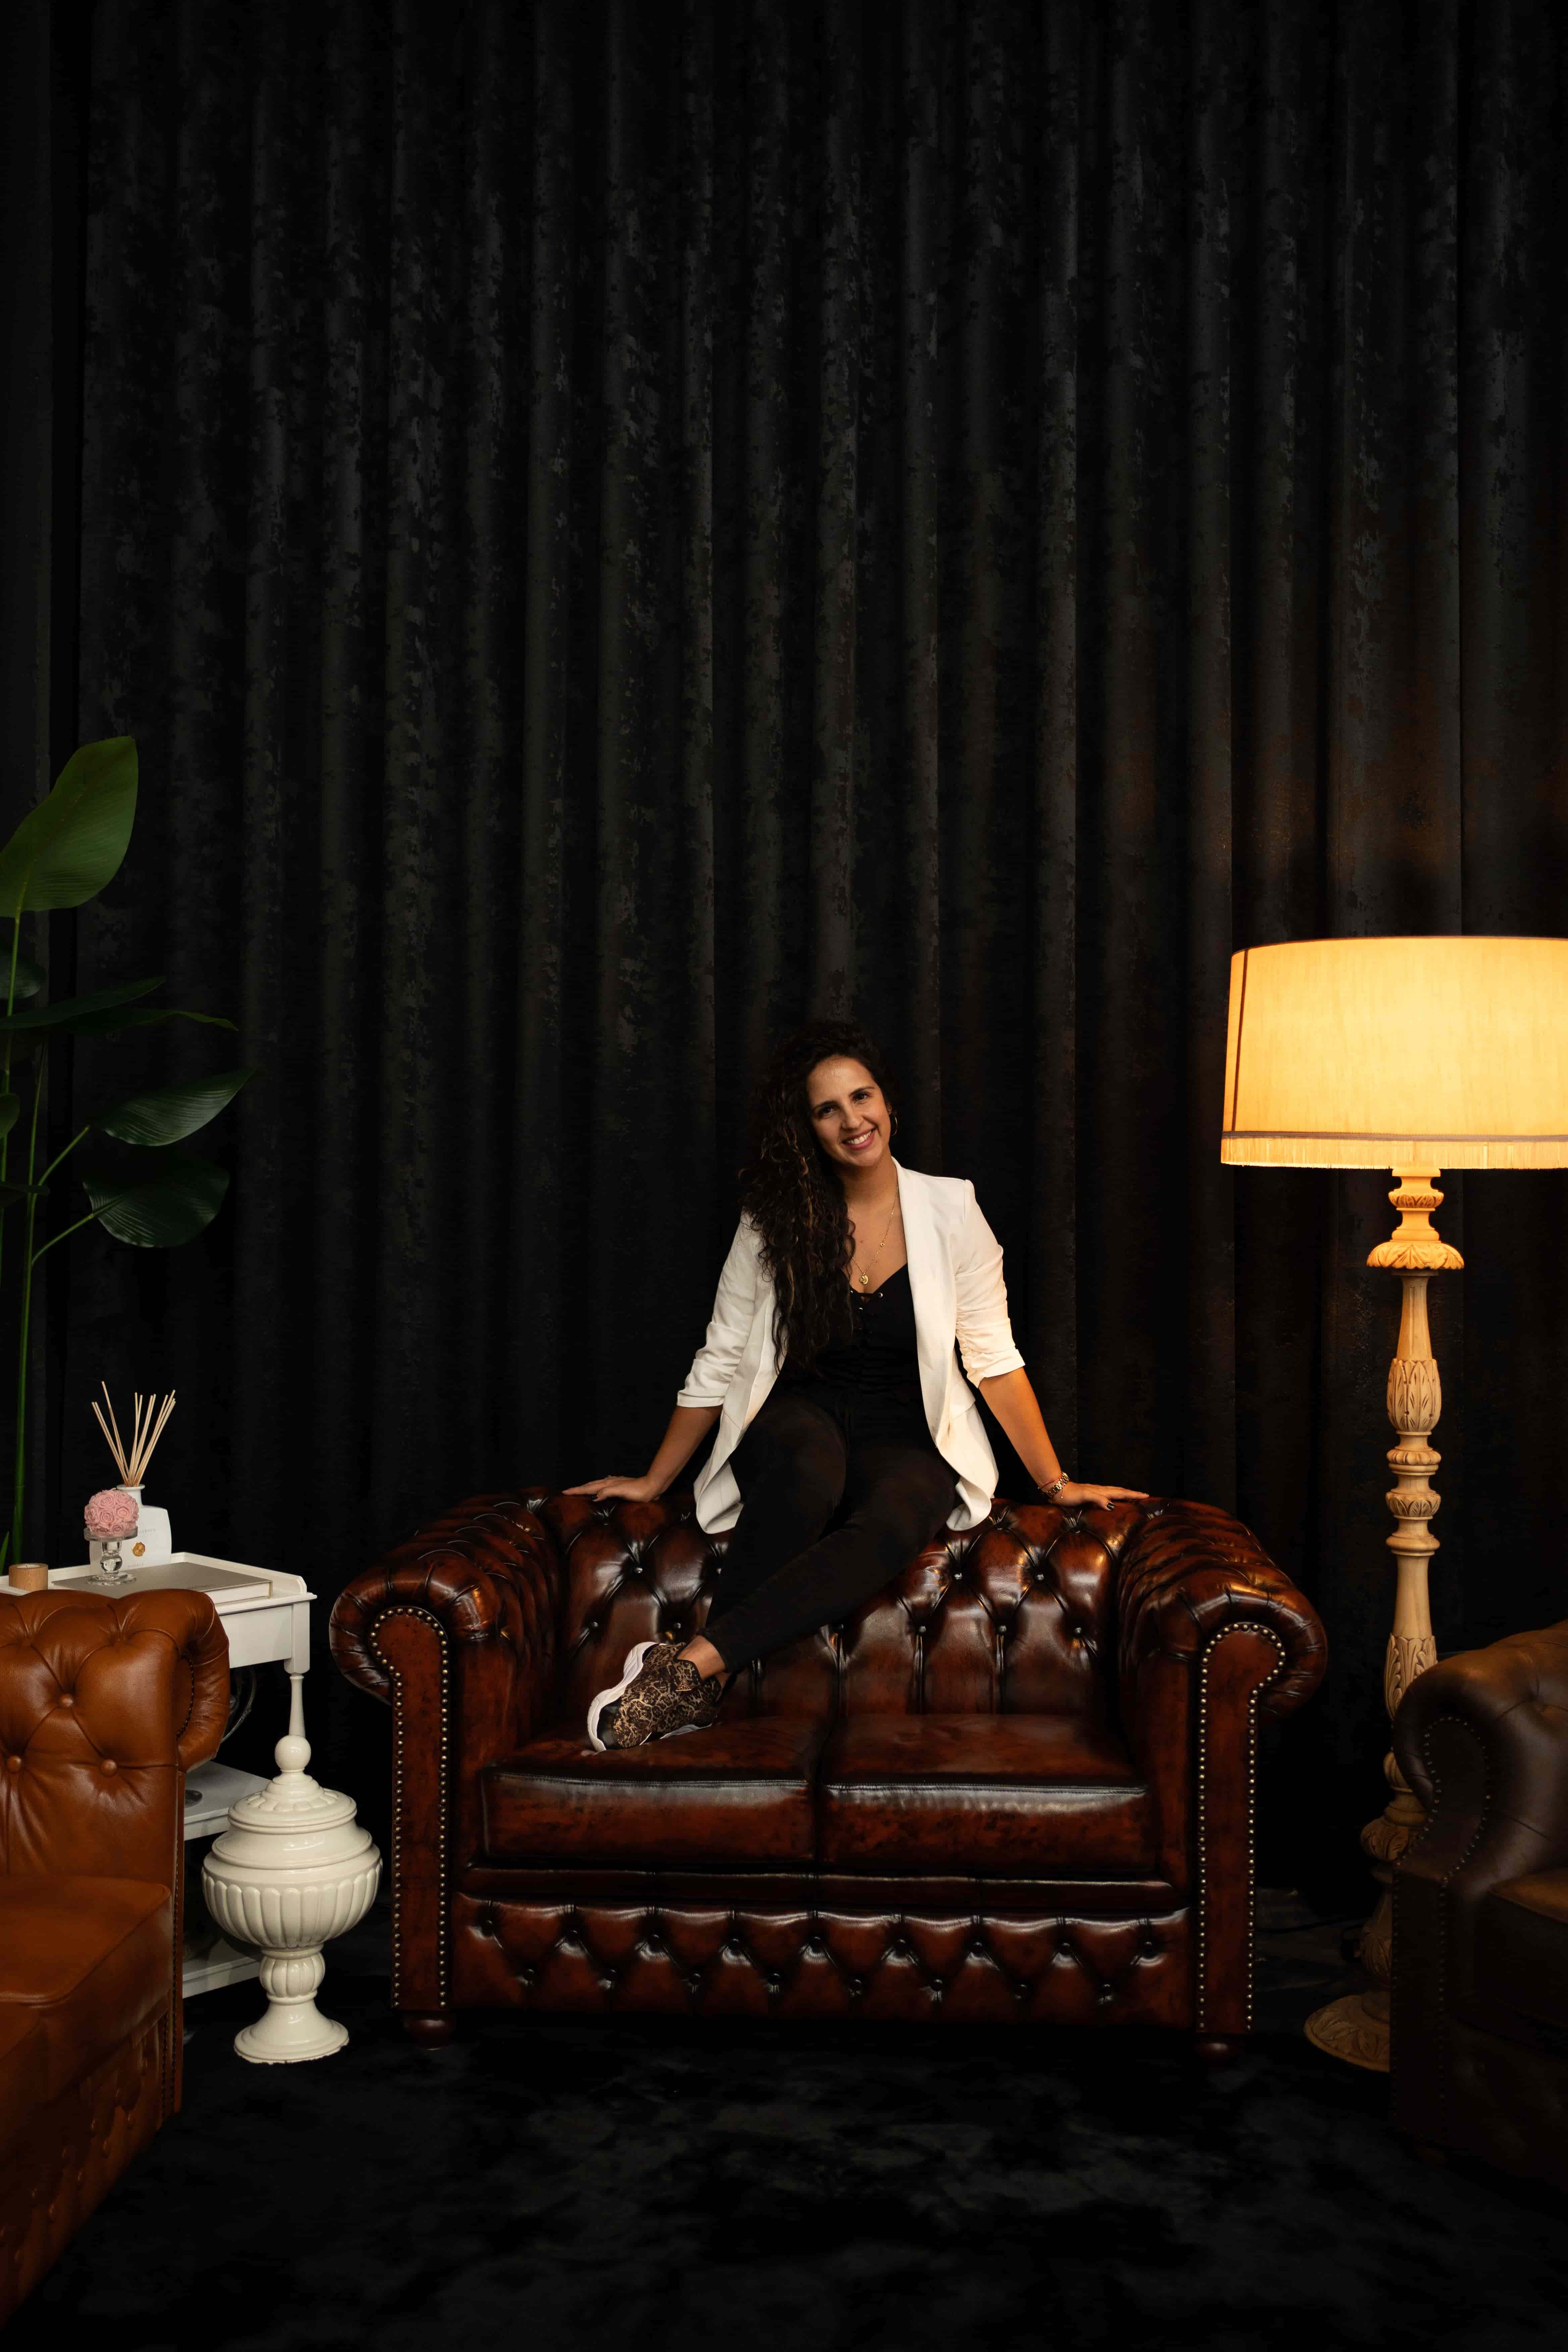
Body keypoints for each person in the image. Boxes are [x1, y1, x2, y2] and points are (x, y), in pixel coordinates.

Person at [567, 1017, 1145, 1748]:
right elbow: (723, 1354)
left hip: (906, 1427)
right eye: (827, 1109)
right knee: (809, 1470)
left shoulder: (952, 1209)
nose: (851, 1121)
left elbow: (993, 1358)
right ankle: (697, 1681)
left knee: (899, 1516)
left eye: (861, 1097)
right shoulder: (772, 1219)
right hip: (800, 1410)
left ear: (888, 1102)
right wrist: (657, 1479)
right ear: (807, 1128)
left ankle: (692, 1670)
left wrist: (1054, 1482)